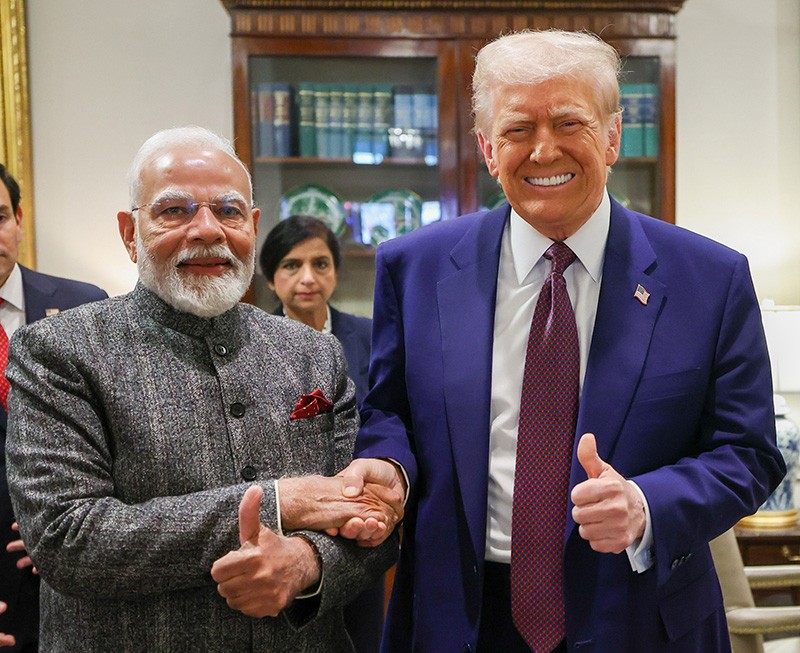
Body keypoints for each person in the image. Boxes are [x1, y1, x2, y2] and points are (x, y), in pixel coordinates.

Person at [340, 30, 786, 652]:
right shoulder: (414, 268)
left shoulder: (710, 279)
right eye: (518, 129)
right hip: (459, 621)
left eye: (569, 122)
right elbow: (389, 411)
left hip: (641, 619)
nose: (544, 149)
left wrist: (646, 505)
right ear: (488, 149)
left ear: (612, 137)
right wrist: (389, 465)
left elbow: (749, 453)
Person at [4, 126, 399, 652]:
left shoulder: (315, 353)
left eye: (228, 211)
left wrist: (306, 564)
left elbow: (372, 521)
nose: (207, 230)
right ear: (130, 233)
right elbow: (67, 538)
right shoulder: (59, 351)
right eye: (174, 210)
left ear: (252, 226)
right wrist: (281, 502)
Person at [260, 215, 382, 652]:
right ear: (271, 279)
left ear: (335, 272)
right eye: (291, 265)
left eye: (321, 264)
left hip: (362, 523)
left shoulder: (370, 336)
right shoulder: (254, 346)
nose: (308, 278)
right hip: (288, 527)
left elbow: (388, 417)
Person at [0, 163, 107, 652]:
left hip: (76, 573)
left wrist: (63, 534)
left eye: (0, 217)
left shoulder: (84, 307)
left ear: (19, 220)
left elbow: (120, 437)